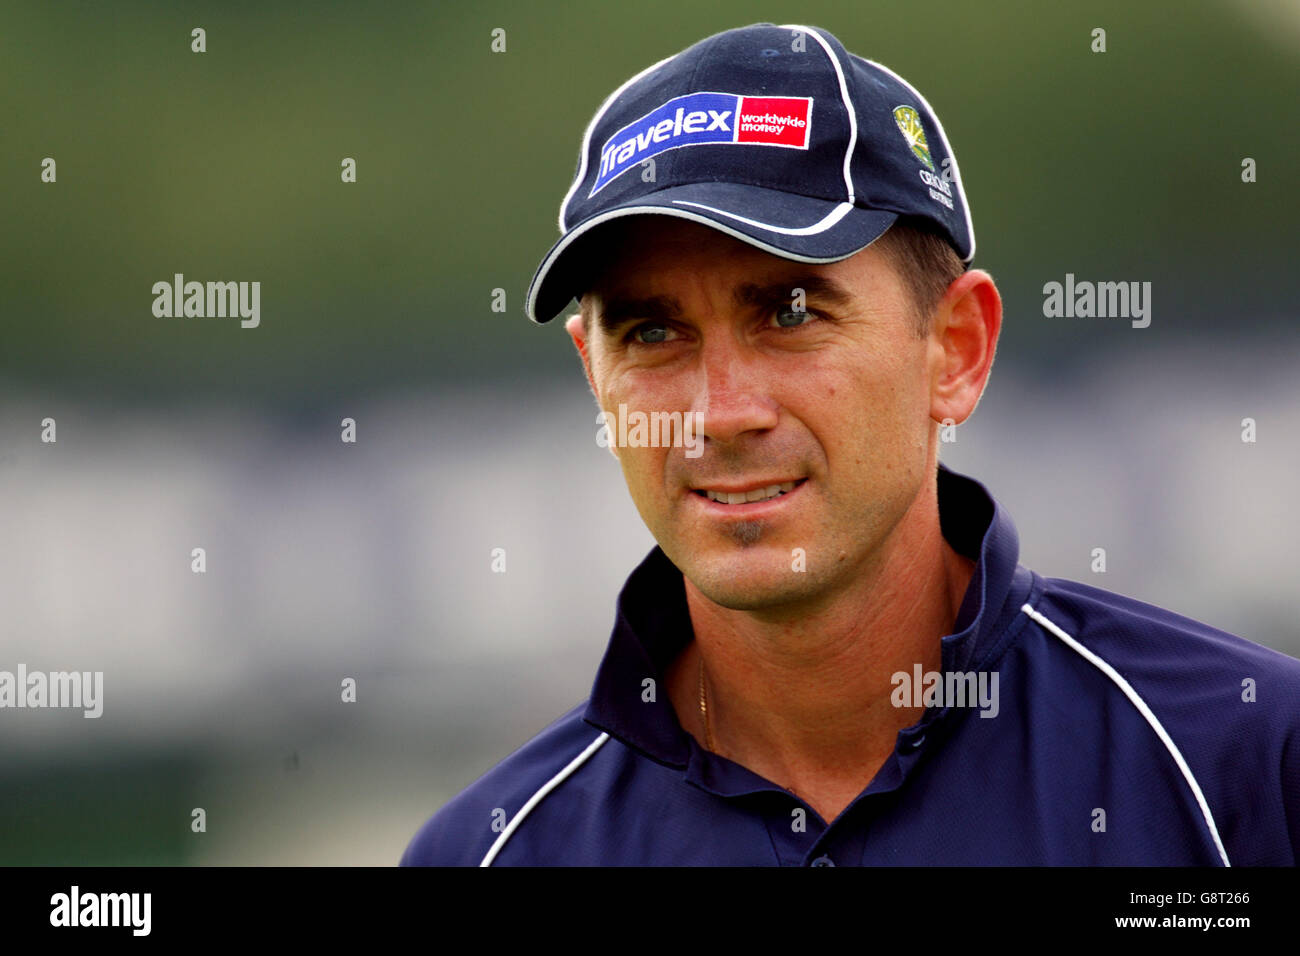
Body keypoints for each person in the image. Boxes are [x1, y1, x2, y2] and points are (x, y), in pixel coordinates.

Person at [402, 22, 1300, 866]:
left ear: (956, 350)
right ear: (593, 376)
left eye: (790, 312)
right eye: (651, 333)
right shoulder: (492, 853)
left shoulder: (1242, 770)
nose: (720, 412)